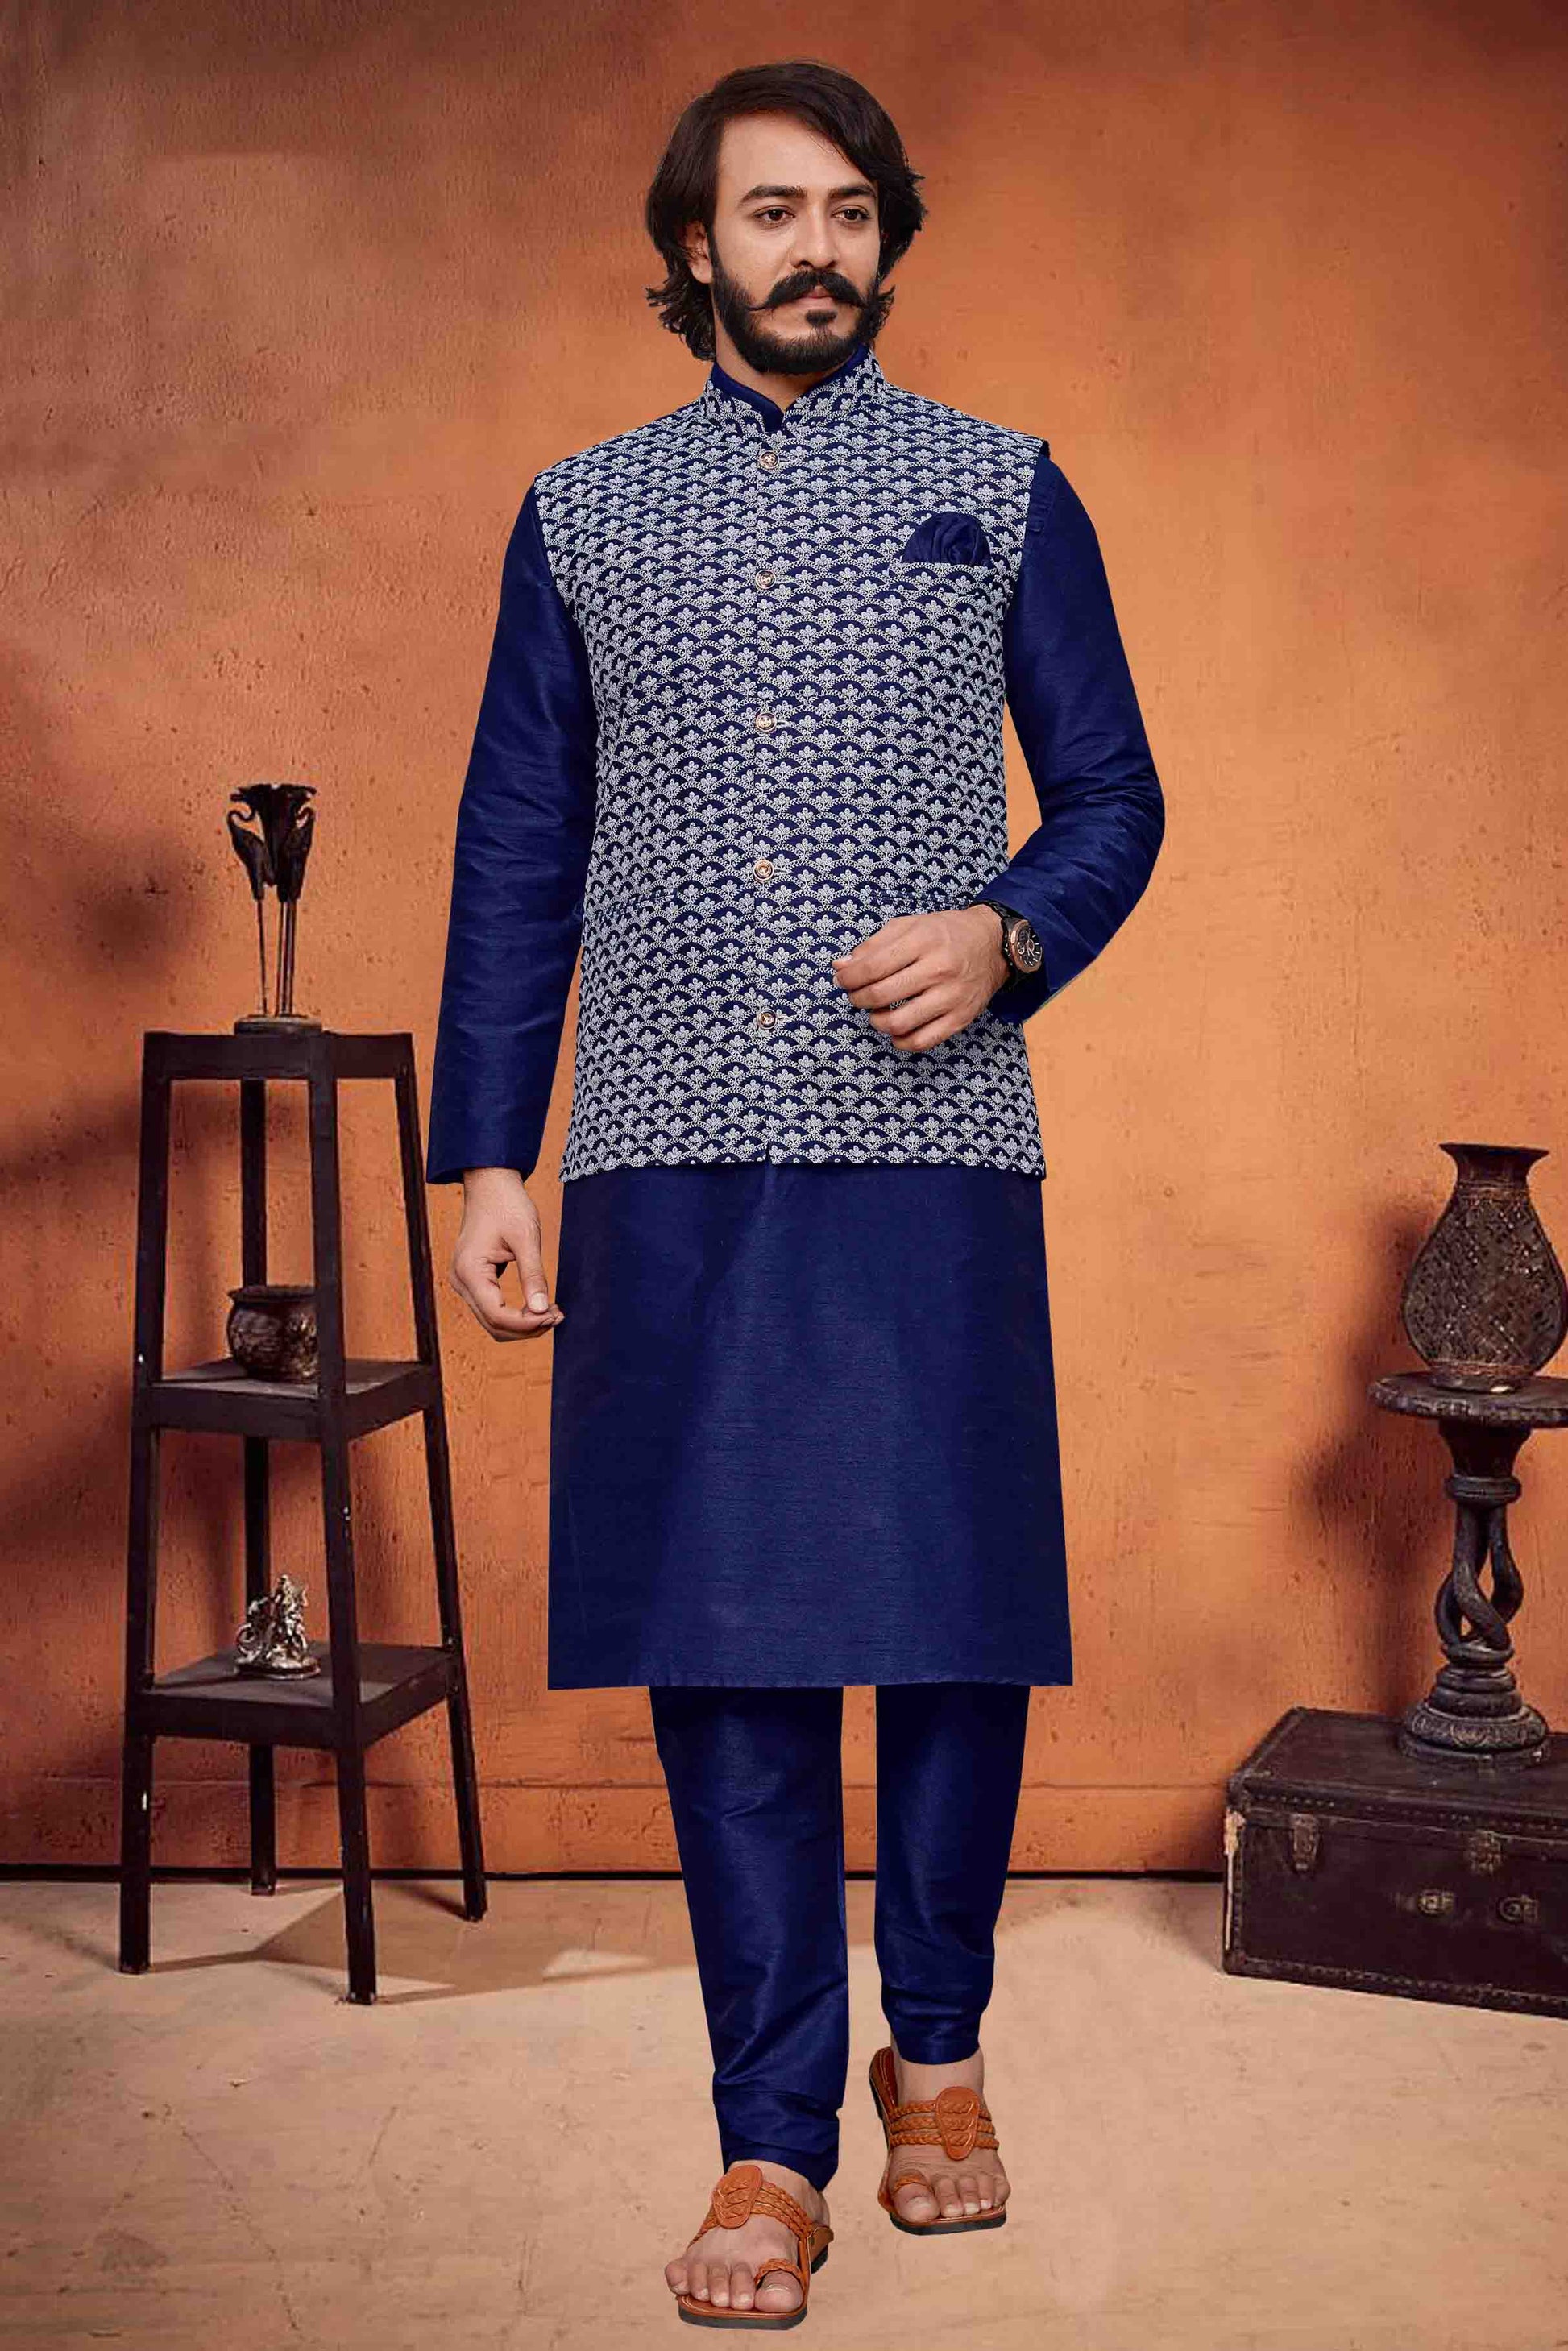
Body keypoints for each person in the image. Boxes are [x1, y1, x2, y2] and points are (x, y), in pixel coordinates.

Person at [425, 58, 1164, 2329]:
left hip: (933, 1144)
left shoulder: (1003, 485)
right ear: (697, 247)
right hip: (664, 1140)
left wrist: (1010, 932)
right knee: (722, 1646)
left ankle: (935, 2061)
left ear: (886, 238)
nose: (814, 247)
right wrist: (486, 1149)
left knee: (946, 1623)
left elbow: (1115, 795)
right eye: (770, 212)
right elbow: (516, 846)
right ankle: (769, 2139)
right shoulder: (579, 513)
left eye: (848, 210)